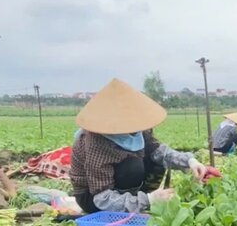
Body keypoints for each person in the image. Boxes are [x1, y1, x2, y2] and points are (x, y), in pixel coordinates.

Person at [70, 78, 207, 214]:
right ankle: (137, 202)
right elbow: (101, 198)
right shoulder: (96, 141)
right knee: (133, 165)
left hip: (120, 188)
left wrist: (190, 162)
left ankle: (137, 201)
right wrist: (148, 200)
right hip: (93, 198)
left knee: (155, 159)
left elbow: (158, 150)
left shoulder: (135, 129)